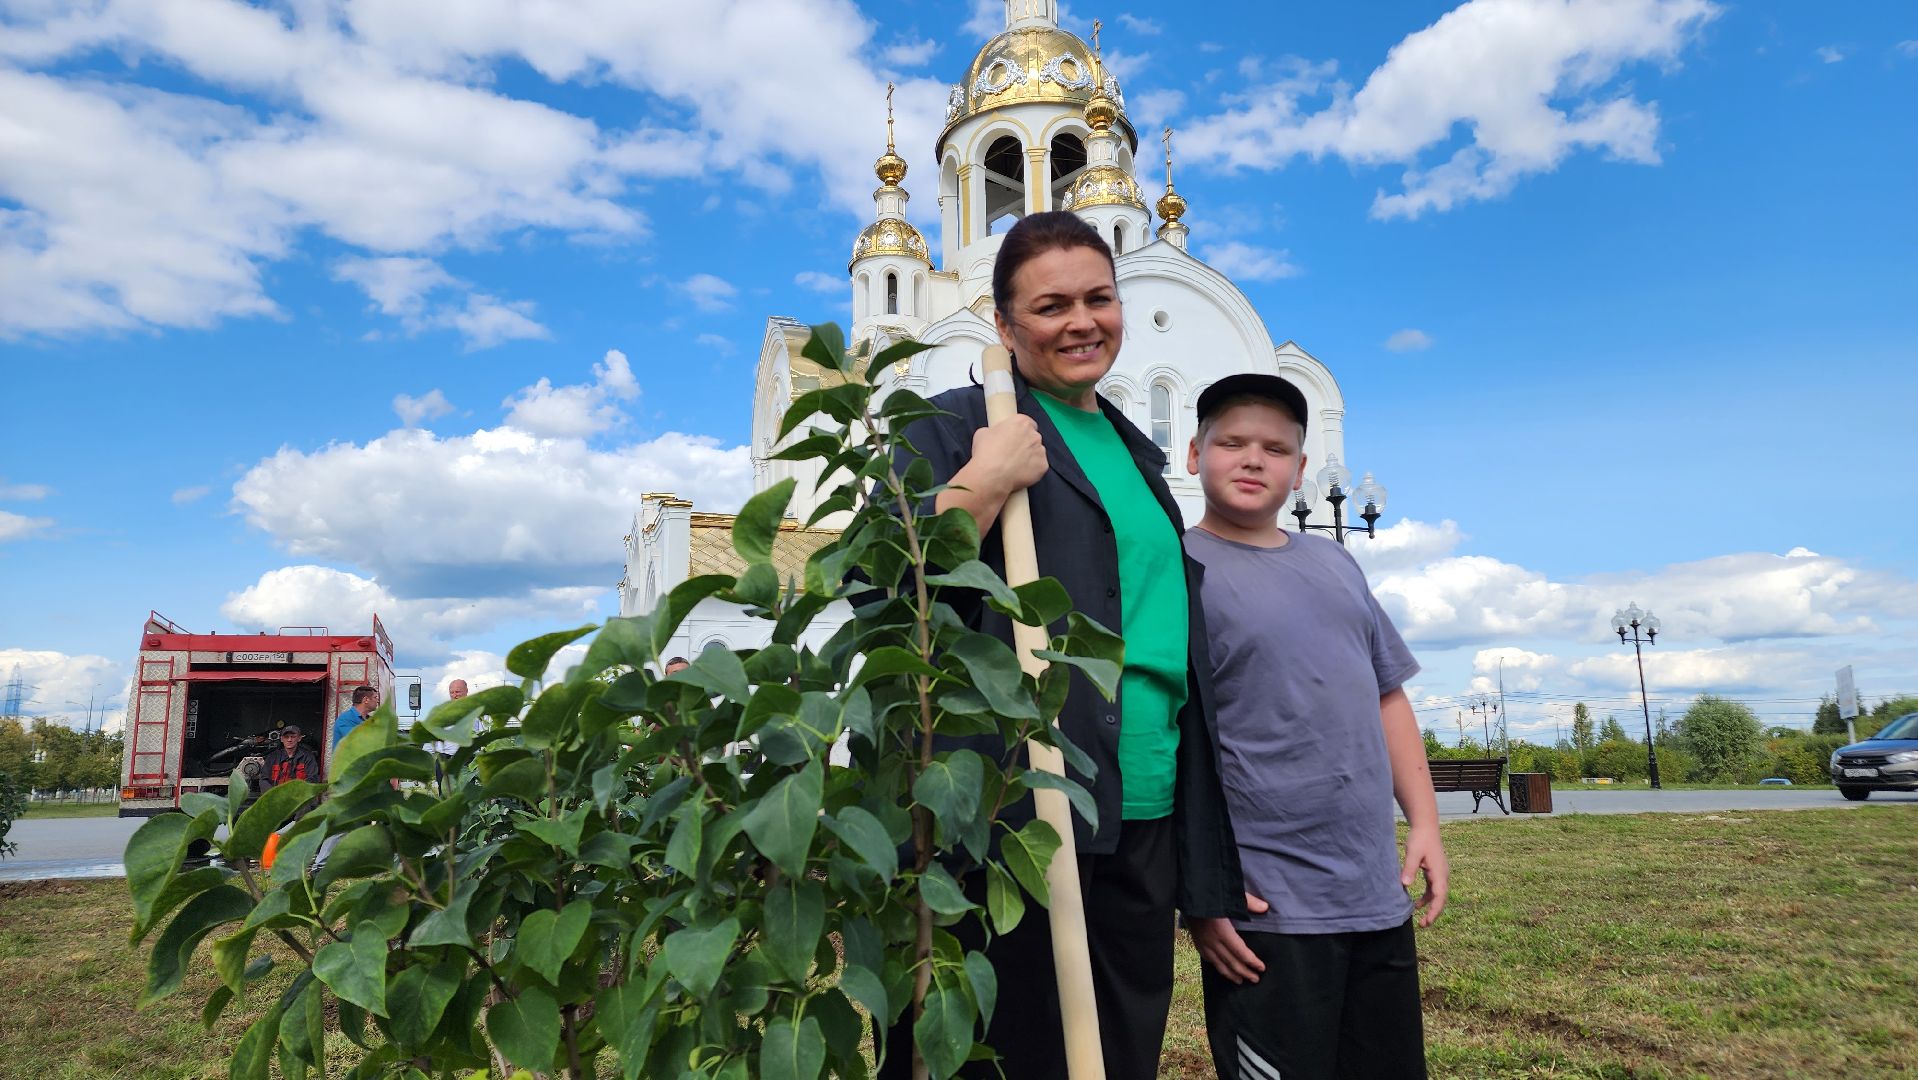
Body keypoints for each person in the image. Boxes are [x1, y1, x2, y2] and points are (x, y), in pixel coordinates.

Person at [878, 210, 1244, 1080]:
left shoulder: (1135, 451)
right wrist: (983, 479)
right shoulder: (952, 425)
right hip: (1014, 809)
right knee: (1002, 1050)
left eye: (1099, 298)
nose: (1083, 321)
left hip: (1143, 806)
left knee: (1119, 1046)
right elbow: (887, 589)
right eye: (1050, 307)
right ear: (1003, 325)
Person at [1180, 373, 1449, 1080]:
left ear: (1300, 471)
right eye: (1230, 442)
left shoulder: (1335, 563)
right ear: (1192, 454)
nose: (1251, 458)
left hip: (1371, 895)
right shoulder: (1177, 570)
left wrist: (1424, 823)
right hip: (1266, 913)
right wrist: (1202, 891)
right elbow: (1170, 739)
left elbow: (1387, 696)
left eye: (1275, 448)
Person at [332, 685, 380, 755]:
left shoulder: (371, 720)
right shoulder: (345, 719)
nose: (377, 701)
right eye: (375, 697)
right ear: (366, 700)